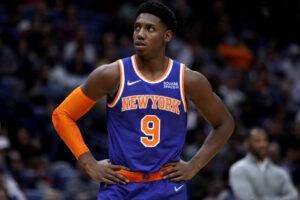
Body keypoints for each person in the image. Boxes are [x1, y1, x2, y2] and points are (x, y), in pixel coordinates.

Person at [52, 1, 234, 199]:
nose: (140, 34)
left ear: (167, 36)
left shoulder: (188, 79)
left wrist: (194, 165)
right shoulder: (111, 74)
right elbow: (62, 114)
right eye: (137, 27)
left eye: (150, 29)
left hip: (167, 187)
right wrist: (89, 162)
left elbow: (224, 123)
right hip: (120, 186)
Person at [229, 127, 299, 200]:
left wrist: (261, 198)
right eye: (257, 141)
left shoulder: (281, 172)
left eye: (265, 140)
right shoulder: (238, 169)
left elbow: (294, 197)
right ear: (247, 143)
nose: (262, 144)